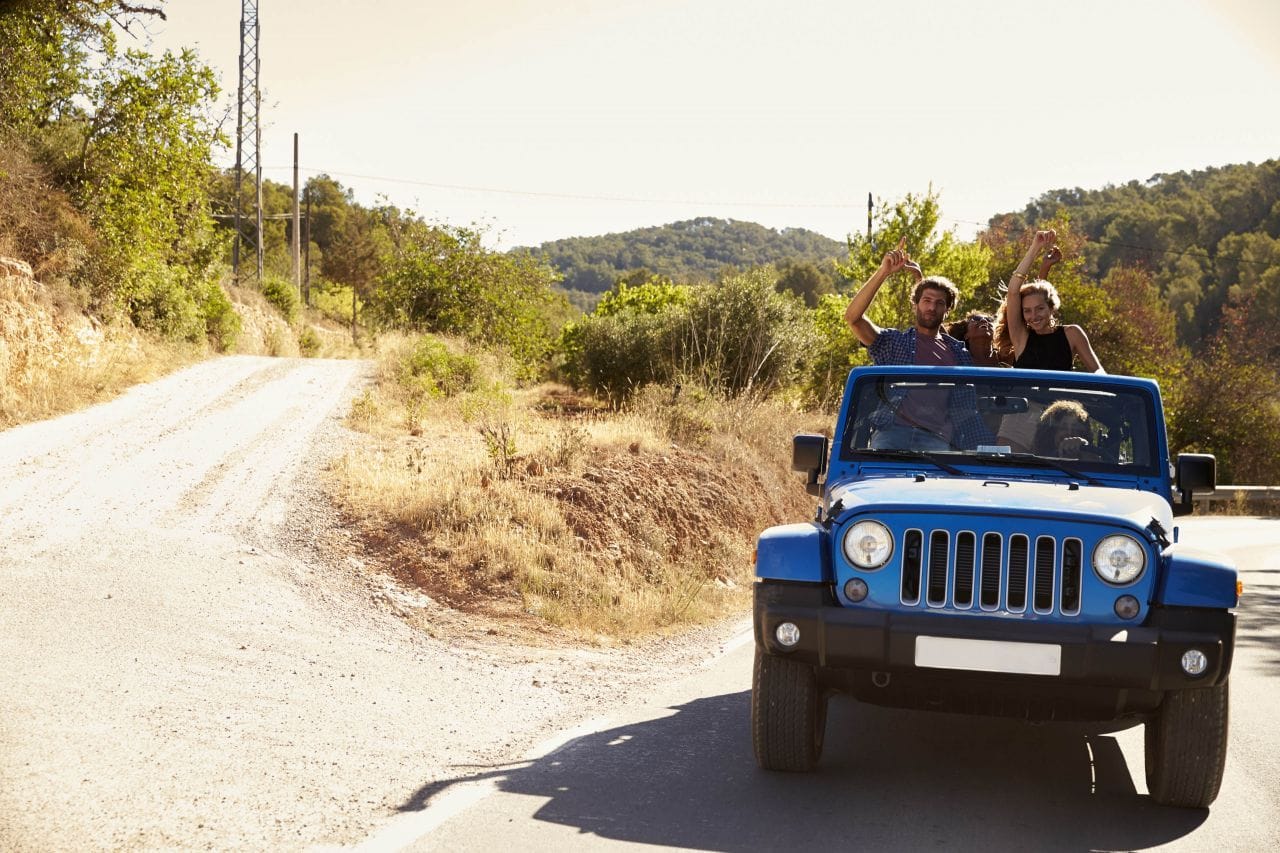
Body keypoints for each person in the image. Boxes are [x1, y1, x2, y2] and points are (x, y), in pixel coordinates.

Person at [844, 237, 992, 450]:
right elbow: (853, 318)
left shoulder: (959, 354)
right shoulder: (894, 342)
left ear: (947, 310)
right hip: (891, 434)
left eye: (939, 303)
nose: (932, 308)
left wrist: (988, 449)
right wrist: (883, 272)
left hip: (938, 440)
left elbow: (966, 409)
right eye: (926, 301)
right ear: (915, 306)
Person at [993, 230, 1105, 372]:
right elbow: (1013, 291)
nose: (1033, 316)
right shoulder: (1021, 337)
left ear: (1052, 308)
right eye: (1027, 311)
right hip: (1024, 395)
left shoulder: (1072, 333)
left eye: (1040, 309)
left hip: (1060, 395)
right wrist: (1035, 247)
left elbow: (1099, 373)